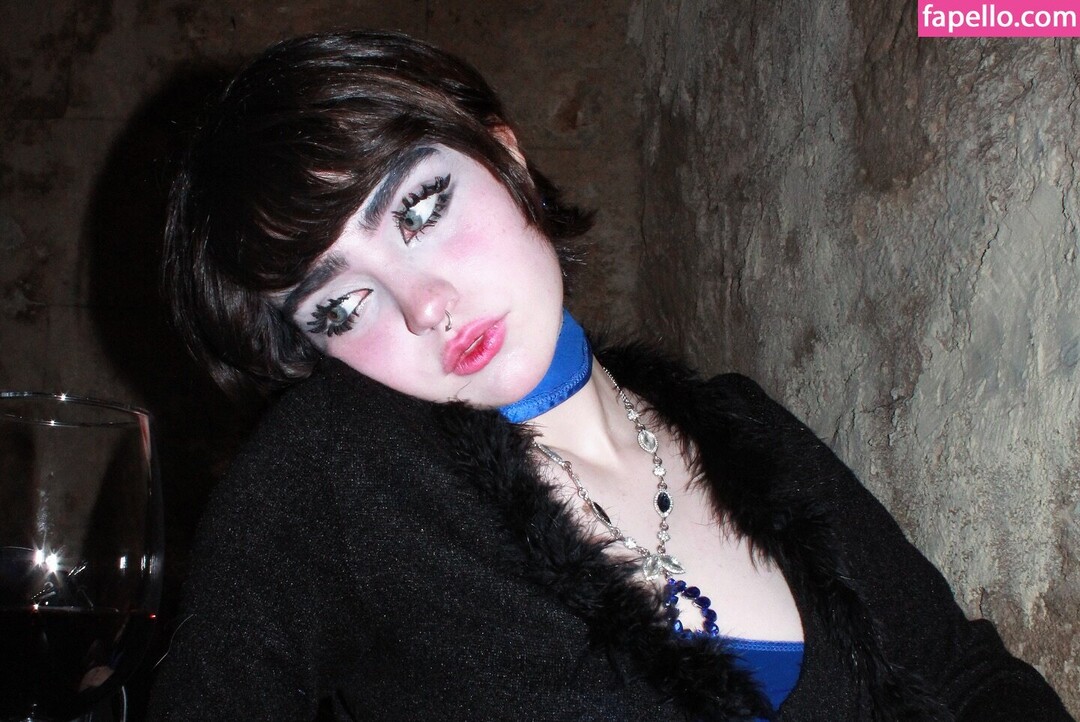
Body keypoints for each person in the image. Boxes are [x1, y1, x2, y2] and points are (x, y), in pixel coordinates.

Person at [147, 30, 1072, 721]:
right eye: (341, 306)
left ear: (504, 155)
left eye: (420, 209)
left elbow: (965, 678)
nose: (425, 306)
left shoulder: (742, 427)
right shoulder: (333, 475)